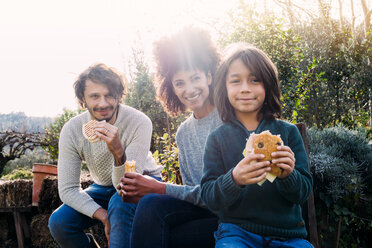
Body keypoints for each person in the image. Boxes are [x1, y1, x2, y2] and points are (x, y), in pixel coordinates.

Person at [200, 44, 314, 248]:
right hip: (236, 234)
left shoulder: (288, 133)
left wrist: (288, 175)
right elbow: (209, 196)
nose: (245, 88)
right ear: (224, 88)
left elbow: (303, 192)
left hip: (289, 236)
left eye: (254, 80)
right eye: (235, 81)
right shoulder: (217, 139)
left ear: (268, 85)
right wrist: (234, 179)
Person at [118, 27, 223, 248]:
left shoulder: (229, 120)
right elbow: (193, 192)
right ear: (171, 88)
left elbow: (223, 194)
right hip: (204, 211)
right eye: (180, 83)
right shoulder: (184, 132)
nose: (189, 89)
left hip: (233, 218)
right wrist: (143, 191)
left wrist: (159, 187)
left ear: (210, 77)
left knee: (166, 236)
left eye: (195, 78)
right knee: (149, 205)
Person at [48, 63, 163, 248]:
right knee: (60, 222)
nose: (103, 103)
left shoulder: (139, 122)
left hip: (141, 180)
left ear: (118, 96)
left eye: (109, 95)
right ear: (82, 99)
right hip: (102, 186)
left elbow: (126, 188)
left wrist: (118, 152)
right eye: (94, 96)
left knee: (120, 203)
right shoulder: (71, 130)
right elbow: (68, 190)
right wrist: (103, 215)